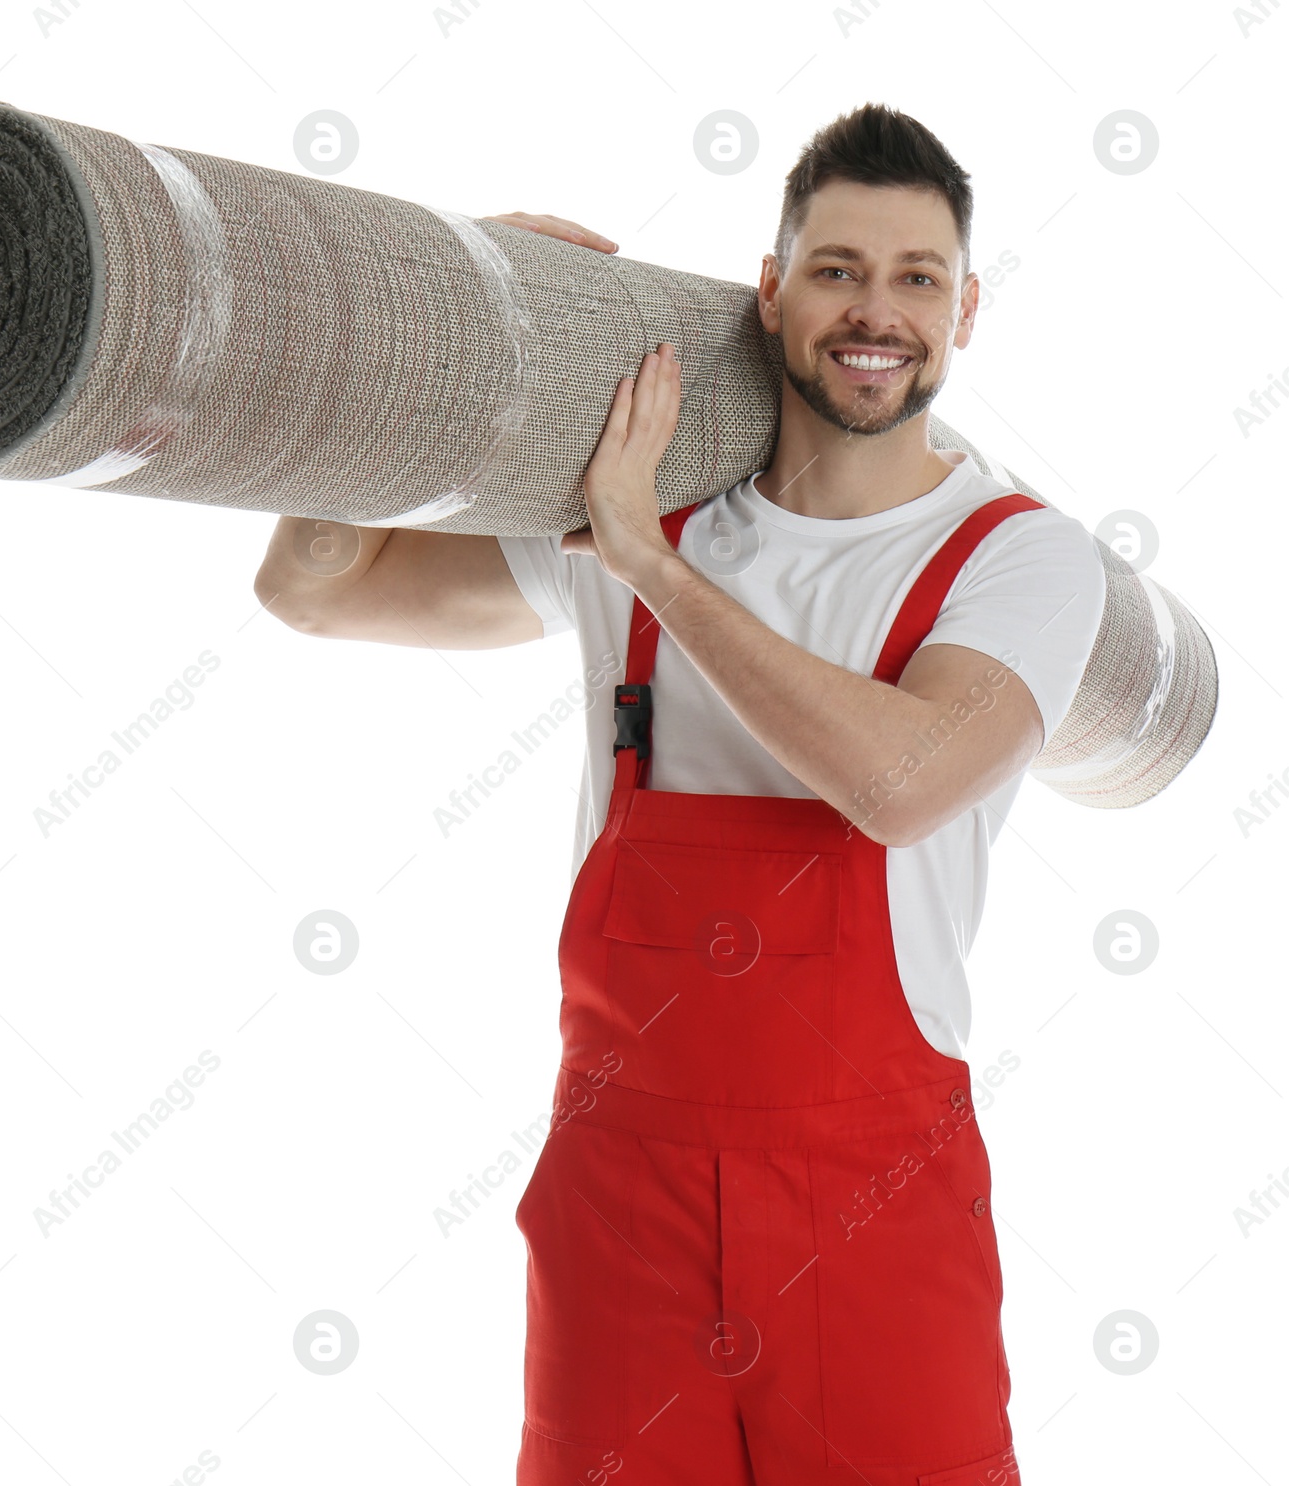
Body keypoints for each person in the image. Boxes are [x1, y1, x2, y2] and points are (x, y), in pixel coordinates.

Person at [255, 102, 1103, 1486]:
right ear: (771, 294)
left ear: (963, 311)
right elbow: (313, 588)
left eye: (917, 277)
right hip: (622, 1201)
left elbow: (901, 782)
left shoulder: (1018, 559)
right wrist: (446, 336)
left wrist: (649, 561)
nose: (874, 310)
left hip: (871, 1205)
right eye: (836, 269)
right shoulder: (640, 506)